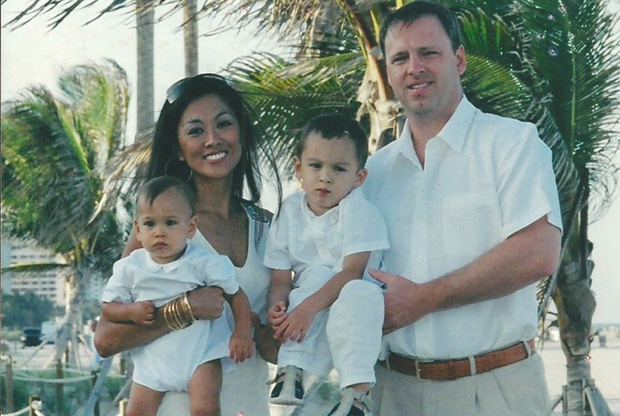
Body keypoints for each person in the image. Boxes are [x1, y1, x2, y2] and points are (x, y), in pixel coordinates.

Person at [347, 1, 563, 414]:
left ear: (459, 59)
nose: (414, 68)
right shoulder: (373, 175)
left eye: (428, 53)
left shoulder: (511, 144)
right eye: (400, 58)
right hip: (393, 392)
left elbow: (538, 253)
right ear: (388, 72)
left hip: (495, 390)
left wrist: (424, 299)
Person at [94, 73, 282, 416]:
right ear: (177, 149)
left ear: (241, 133)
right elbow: (106, 340)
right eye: (196, 130)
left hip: (251, 406)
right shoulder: (161, 230)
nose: (213, 139)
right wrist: (185, 309)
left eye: (224, 124)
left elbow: (275, 347)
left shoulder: (268, 226)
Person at [265, 114, 389, 415]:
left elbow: (352, 272)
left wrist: (306, 310)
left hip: (355, 301)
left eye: (339, 169)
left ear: (359, 177)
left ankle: (357, 395)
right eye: (316, 166)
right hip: (309, 301)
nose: (325, 177)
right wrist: (277, 308)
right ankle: (291, 371)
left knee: (353, 291)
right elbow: (280, 277)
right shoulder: (289, 210)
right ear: (299, 168)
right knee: (312, 278)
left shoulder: (360, 211)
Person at [101, 176, 254, 416]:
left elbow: (236, 295)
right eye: (150, 224)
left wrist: (242, 332)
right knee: (136, 412)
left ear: (191, 228)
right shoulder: (130, 268)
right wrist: (129, 311)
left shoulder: (203, 262)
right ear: (138, 229)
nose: (159, 232)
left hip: (200, 354)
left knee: (206, 409)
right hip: (153, 360)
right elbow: (108, 307)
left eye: (170, 223)